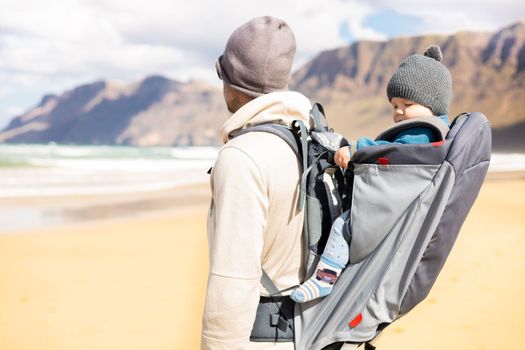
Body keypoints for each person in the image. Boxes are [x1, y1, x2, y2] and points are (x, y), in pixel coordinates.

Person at [290, 44, 453, 304]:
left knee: (344, 225)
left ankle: (325, 278)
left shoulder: (421, 133)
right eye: (394, 105)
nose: (398, 112)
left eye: (407, 104)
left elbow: (392, 151)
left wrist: (356, 149)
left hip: (389, 204)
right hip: (401, 202)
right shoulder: (435, 130)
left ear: (432, 103)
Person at [201, 16, 313, 349]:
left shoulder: (242, 158)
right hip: (311, 331)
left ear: (231, 82)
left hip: (262, 339)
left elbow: (232, 282)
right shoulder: (311, 141)